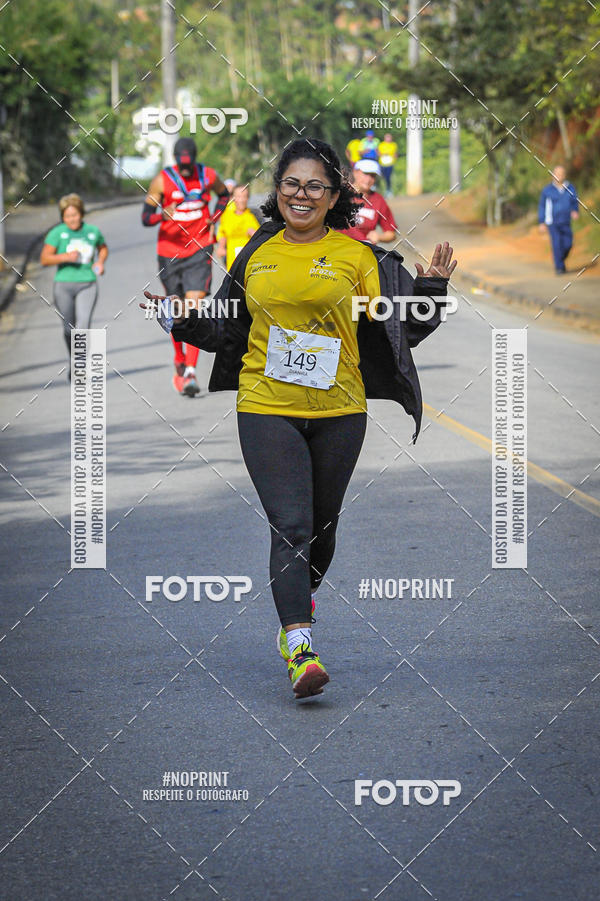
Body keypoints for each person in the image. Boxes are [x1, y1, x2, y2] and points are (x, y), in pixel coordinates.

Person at [141, 138, 456, 699]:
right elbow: (227, 328)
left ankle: (296, 599)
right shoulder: (256, 253)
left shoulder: (359, 258)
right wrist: (180, 321)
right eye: (291, 183)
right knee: (290, 525)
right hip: (266, 406)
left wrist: (430, 290)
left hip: (340, 411)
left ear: (334, 196)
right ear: (278, 190)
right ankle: (299, 645)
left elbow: (400, 329)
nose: (301, 194)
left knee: (321, 528)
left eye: (315, 185)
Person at [141, 136, 230, 396]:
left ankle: (190, 371)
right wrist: (161, 215)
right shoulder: (162, 180)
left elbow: (224, 195)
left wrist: (214, 217)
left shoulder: (208, 175)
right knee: (174, 307)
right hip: (169, 253)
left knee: (193, 306)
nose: (186, 170)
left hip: (199, 249)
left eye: (189, 165)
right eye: (182, 166)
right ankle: (179, 358)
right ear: (176, 162)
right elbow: (145, 217)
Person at [40, 193, 108, 377]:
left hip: (87, 284)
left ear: (81, 213)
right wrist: (65, 257)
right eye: (67, 216)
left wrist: (100, 262)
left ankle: (79, 363)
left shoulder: (92, 231)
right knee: (68, 329)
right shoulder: (57, 233)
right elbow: (45, 259)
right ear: (63, 217)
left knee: (83, 325)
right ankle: (73, 357)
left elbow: (103, 248)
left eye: (75, 215)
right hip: (63, 285)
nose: (71, 219)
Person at [341, 159, 397, 245]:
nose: (368, 179)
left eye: (373, 176)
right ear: (355, 172)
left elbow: (391, 233)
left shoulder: (378, 200)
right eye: (366, 174)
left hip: (363, 250)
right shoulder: (339, 194)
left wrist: (379, 237)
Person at [538, 165, 579, 274]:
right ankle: (559, 267)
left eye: (561, 174)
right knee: (556, 243)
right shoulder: (547, 190)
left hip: (566, 221)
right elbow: (542, 206)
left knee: (568, 243)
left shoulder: (570, 188)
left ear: (564, 175)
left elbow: (574, 201)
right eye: (557, 174)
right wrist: (542, 222)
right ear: (553, 175)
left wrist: (575, 211)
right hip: (552, 222)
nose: (559, 176)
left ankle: (560, 260)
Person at [216, 184, 259, 270]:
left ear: (248, 198)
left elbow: (260, 237)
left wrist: (254, 234)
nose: (241, 200)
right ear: (233, 198)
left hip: (250, 262)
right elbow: (222, 234)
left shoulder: (254, 215)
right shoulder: (227, 216)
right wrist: (221, 247)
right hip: (232, 262)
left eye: (244, 196)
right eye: (239, 196)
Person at [377, 132, 398, 197]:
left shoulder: (394, 144)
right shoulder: (381, 144)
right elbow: (378, 153)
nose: (389, 138)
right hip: (382, 163)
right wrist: (383, 154)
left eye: (390, 137)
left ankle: (388, 190)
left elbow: (395, 154)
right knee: (382, 176)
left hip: (390, 164)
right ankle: (380, 189)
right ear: (385, 138)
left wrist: (395, 156)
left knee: (388, 177)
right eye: (387, 137)